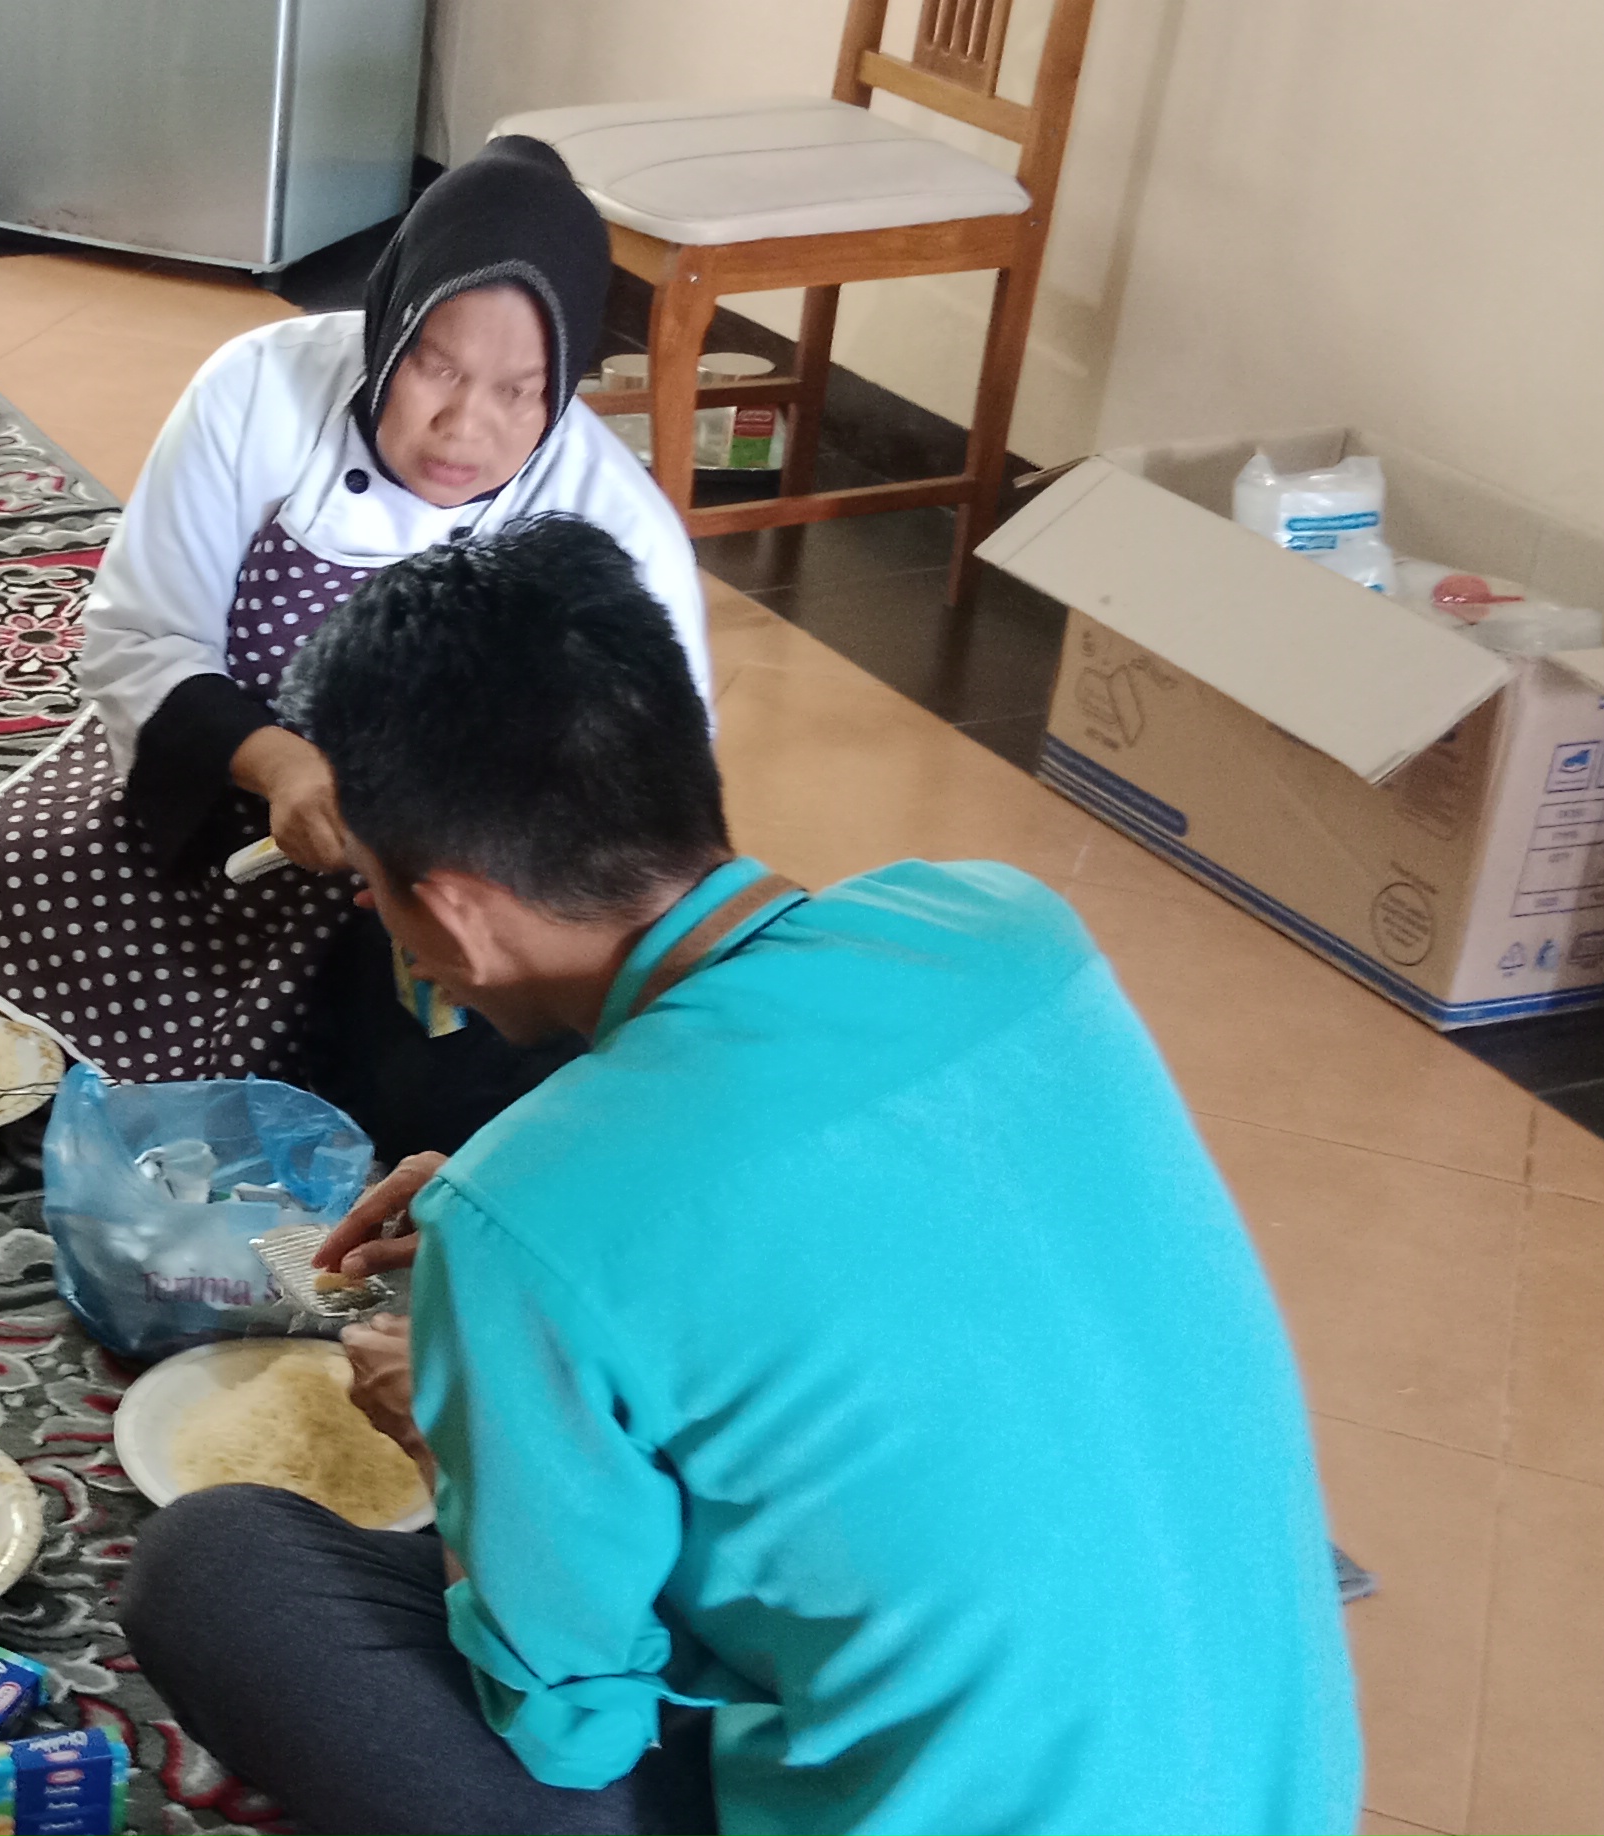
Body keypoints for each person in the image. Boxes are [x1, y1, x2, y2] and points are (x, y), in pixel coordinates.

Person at [119, 518, 1361, 1836]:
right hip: (1281, 1795)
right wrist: (525, 1241)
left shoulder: (524, 1221)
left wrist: (473, 1421)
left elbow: (575, 1728)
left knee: (220, 1571)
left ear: (464, 911)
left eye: (376, 892)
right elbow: (838, 1225)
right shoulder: (1009, 929)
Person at [0, 136, 708, 1159]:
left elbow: (638, 796)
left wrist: (445, 849)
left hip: (446, 880)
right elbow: (139, 637)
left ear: (568, 380)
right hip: (225, 783)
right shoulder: (259, 390)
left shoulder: (615, 520)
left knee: (413, 1085)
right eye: (436, 368)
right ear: (390, 326)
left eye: (520, 392)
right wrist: (283, 768)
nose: (464, 425)